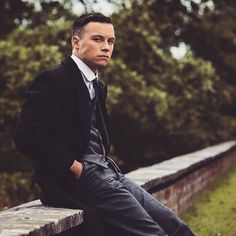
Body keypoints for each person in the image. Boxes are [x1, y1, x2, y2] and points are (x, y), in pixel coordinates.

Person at [13, 12, 195, 236]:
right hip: (78, 178)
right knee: (152, 233)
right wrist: (74, 167)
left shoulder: (96, 85)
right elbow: (27, 134)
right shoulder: (54, 79)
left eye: (111, 41)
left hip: (107, 171)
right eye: (98, 39)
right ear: (76, 42)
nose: (106, 47)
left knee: (175, 226)